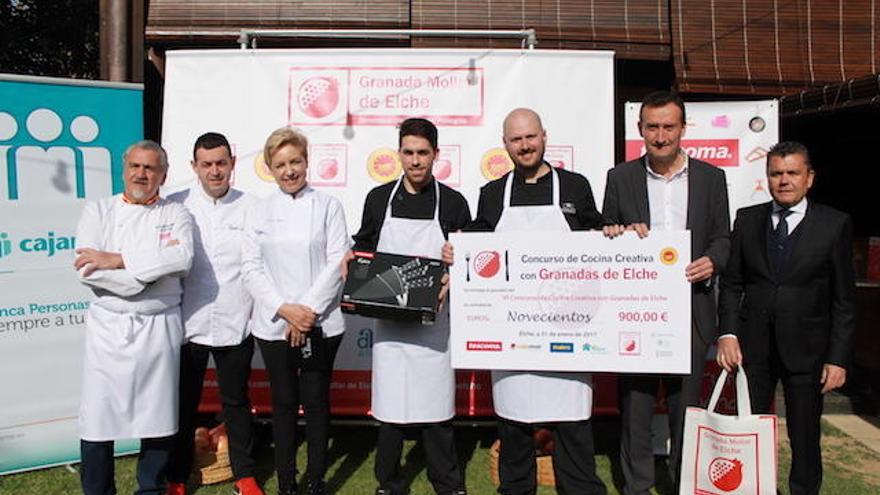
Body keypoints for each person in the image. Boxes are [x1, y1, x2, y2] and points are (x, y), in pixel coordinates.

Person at [468, 108, 606, 495]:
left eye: (531, 137)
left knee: (573, 427)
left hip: (569, 329)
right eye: (516, 140)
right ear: (505, 144)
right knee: (514, 428)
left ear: (544, 137)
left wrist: (616, 233)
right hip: (515, 336)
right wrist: (457, 250)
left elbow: (598, 236)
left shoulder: (576, 186)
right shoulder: (493, 194)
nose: (525, 146)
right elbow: (480, 252)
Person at [602, 90, 730, 495]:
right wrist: (616, 234)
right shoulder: (619, 177)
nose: (660, 136)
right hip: (637, 314)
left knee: (685, 411)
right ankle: (637, 487)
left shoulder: (712, 178)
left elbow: (723, 238)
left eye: (668, 127)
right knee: (636, 410)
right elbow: (606, 234)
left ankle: (681, 485)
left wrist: (712, 260)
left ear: (683, 129)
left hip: (691, 310)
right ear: (640, 130)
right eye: (652, 127)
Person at [716, 141, 855, 495]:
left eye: (792, 173)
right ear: (767, 178)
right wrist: (728, 334)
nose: (784, 180)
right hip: (754, 347)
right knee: (751, 430)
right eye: (776, 173)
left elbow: (843, 300)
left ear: (809, 178)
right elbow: (731, 284)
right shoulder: (748, 220)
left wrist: (837, 358)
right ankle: (753, 489)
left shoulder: (834, 224)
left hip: (808, 349)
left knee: (804, 435)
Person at [351, 118, 470, 495]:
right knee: (390, 409)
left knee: (437, 411)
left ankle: (447, 483)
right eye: (408, 152)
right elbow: (364, 249)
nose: (415, 161)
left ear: (436, 154)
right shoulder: (378, 198)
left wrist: (457, 256)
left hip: (433, 324)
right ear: (398, 153)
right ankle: (389, 482)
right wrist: (353, 262)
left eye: (422, 153)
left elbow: (467, 258)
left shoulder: (452, 202)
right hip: (390, 326)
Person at [73, 140, 193, 495]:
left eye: (150, 168)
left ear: (163, 175)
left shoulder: (176, 214)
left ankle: (151, 488)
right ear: (124, 170)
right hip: (109, 328)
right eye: (135, 167)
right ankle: (97, 490)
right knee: (97, 418)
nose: (142, 174)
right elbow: (87, 270)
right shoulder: (98, 211)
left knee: (157, 417)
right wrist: (145, 277)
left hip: (158, 328)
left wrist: (118, 259)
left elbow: (182, 259)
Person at [241, 127, 349, 495]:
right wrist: (286, 310)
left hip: (321, 324)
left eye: (295, 162)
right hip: (273, 325)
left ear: (307, 162)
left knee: (316, 404)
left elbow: (338, 263)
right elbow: (251, 267)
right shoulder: (259, 210)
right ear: (269, 168)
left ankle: (316, 480)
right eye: (280, 164)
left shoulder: (328, 206)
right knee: (283, 403)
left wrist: (307, 312)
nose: (289, 171)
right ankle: (287, 483)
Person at [165, 133, 261, 495]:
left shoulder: (253, 207)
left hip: (237, 320)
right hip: (187, 323)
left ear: (233, 163)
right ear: (194, 167)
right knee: (182, 403)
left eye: (221, 163)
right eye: (207, 164)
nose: (215, 171)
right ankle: (176, 475)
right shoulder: (176, 206)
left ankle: (245, 475)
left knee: (236, 403)